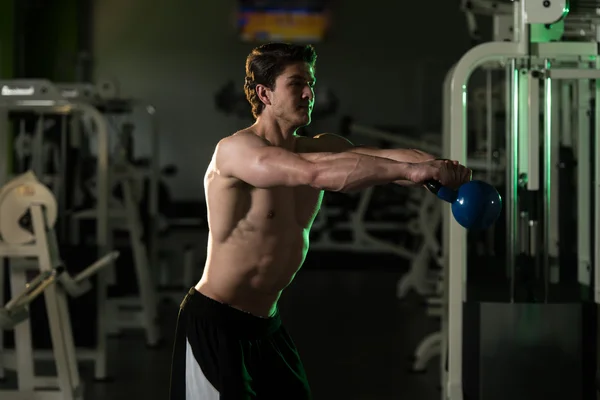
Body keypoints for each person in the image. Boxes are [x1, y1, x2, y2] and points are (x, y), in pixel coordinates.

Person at [169, 43, 471, 400]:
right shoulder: (236, 152)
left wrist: (440, 167)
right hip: (217, 327)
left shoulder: (317, 147)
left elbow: (381, 158)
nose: (310, 93)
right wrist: (411, 170)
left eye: (310, 83)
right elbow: (313, 174)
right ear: (265, 93)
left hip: (267, 326)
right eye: (296, 84)